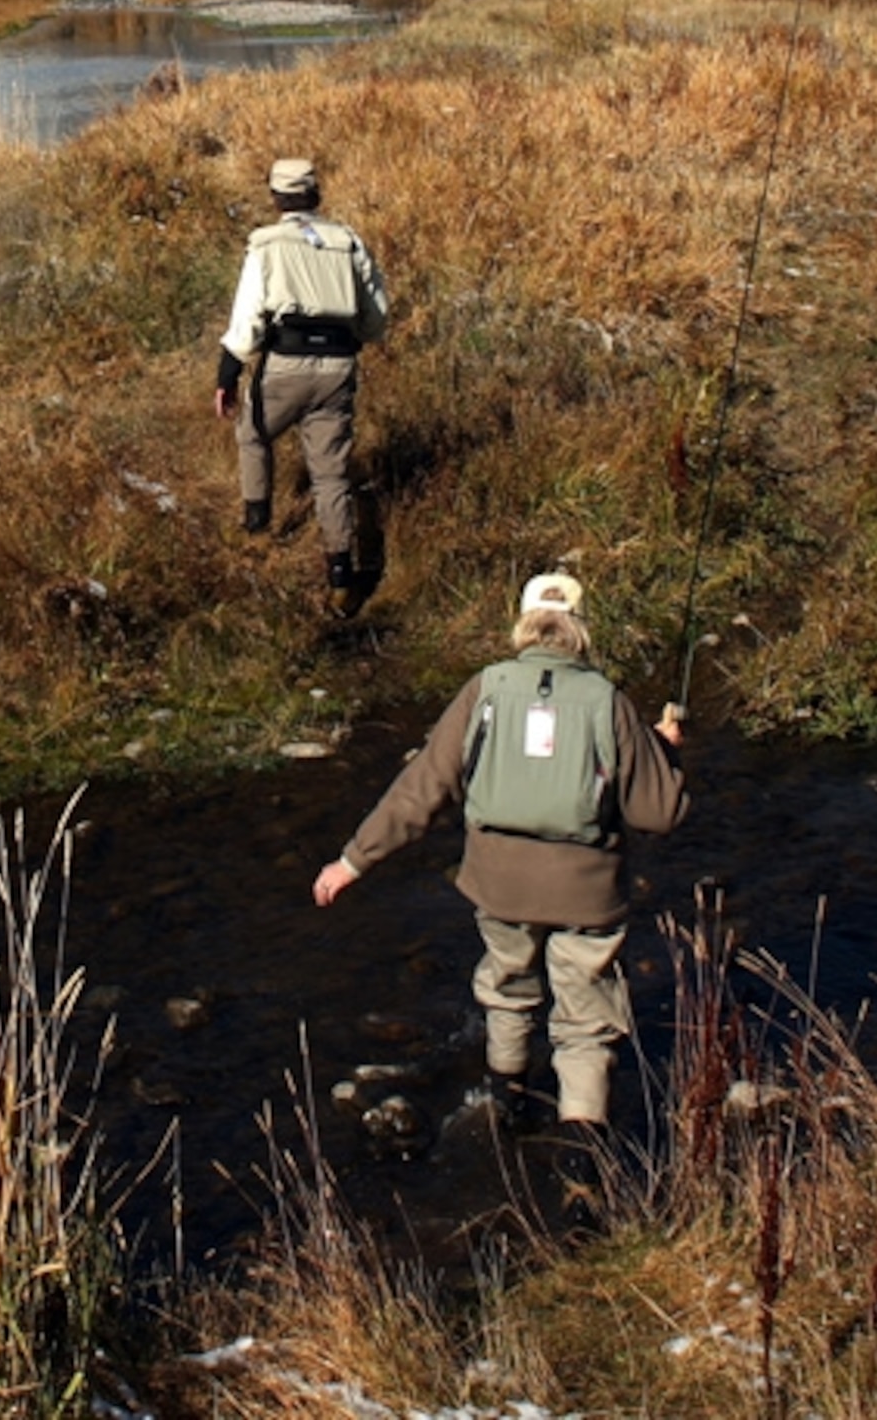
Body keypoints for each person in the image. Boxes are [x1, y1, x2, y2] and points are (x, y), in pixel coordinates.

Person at [311, 573, 686, 1125]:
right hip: (587, 895)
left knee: (508, 990)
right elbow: (660, 813)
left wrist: (352, 861)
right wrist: (666, 753)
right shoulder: (608, 701)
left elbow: (422, 788)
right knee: (584, 1024)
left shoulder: (484, 690)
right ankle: (582, 1161)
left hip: (498, 886)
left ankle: (507, 1102)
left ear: (525, 623)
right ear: (580, 628)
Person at [213, 156, 390, 600]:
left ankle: (256, 532)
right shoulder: (347, 242)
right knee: (330, 474)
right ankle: (340, 574)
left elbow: (247, 317)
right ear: (316, 195)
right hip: (339, 366)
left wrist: (228, 375)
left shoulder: (266, 245)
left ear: (276, 199)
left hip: (284, 361)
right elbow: (376, 314)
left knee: (252, 434)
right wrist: (357, 338)